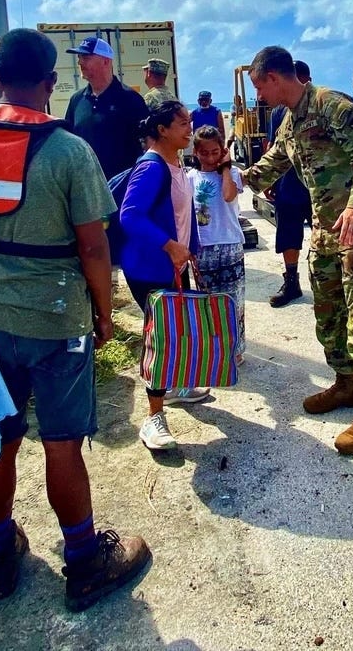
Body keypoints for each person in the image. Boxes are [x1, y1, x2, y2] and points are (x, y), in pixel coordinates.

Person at [0, 28, 150, 611]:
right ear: (50, 83)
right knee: (62, 446)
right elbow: (94, 246)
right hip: (59, 319)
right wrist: (104, 314)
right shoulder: (67, 151)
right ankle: (85, 562)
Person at [243, 46, 353, 455]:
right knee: (328, 313)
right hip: (328, 233)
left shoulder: (333, 105)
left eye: (259, 86)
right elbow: (275, 161)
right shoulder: (290, 119)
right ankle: (347, 385)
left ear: (274, 78)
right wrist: (234, 181)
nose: (258, 95)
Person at [119, 100, 202, 451]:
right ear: (162, 130)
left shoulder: (175, 162)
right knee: (163, 339)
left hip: (172, 266)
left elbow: (185, 213)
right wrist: (169, 245)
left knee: (176, 330)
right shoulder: (152, 167)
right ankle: (153, 418)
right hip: (149, 269)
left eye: (190, 121)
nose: (189, 128)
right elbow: (130, 215)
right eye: (182, 123)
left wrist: (191, 250)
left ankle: (178, 386)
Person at [188, 125, 246, 363]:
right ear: (196, 152)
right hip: (203, 246)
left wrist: (226, 167)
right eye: (205, 153)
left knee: (234, 301)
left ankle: (236, 349)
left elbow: (228, 195)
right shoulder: (189, 177)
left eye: (215, 152)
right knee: (207, 300)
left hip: (230, 244)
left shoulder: (231, 175)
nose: (210, 158)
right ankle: (214, 347)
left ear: (222, 150)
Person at [63, 36, 148, 179]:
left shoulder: (131, 100)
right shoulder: (76, 100)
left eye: (86, 57)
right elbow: (68, 143)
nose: (79, 62)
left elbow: (148, 146)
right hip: (85, 189)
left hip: (120, 191)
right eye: (79, 57)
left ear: (106, 61)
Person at [265, 60, 313, 307]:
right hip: (289, 183)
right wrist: (268, 177)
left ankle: (337, 287)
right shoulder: (278, 112)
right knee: (288, 235)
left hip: (320, 189)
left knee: (330, 238)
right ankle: (292, 282)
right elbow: (273, 146)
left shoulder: (325, 105)